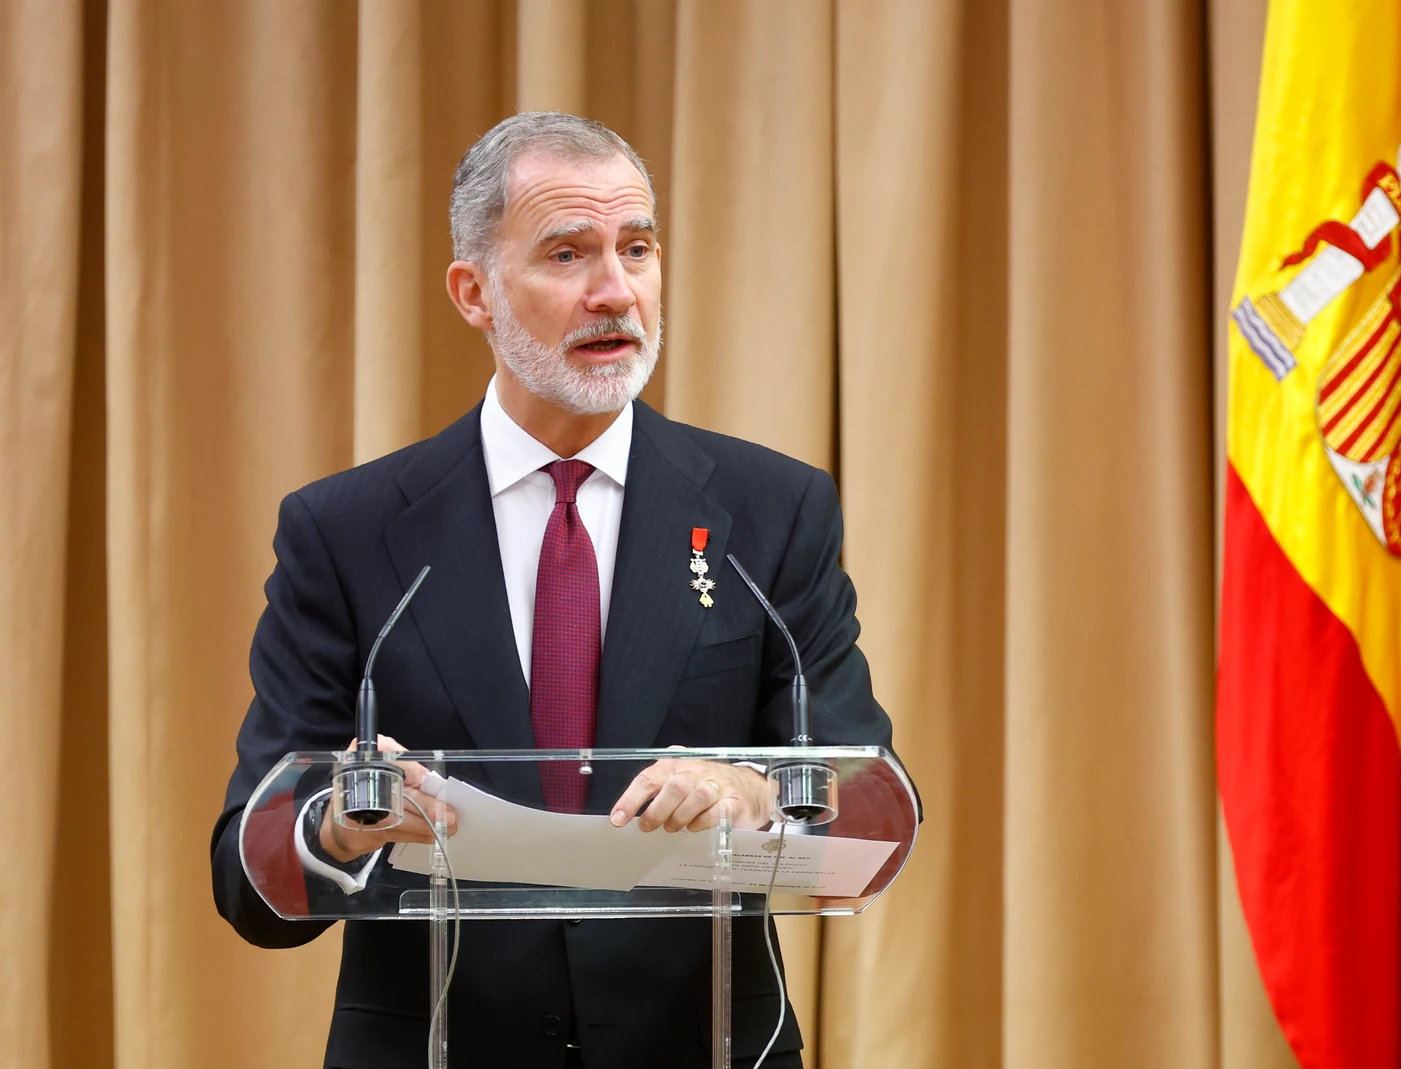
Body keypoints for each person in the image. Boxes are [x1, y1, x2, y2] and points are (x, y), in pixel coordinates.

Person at [209, 112, 897, 1068]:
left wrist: (755, 788)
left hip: (702, 1043)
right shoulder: (348, 531)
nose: (616, 292)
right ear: (474, 292)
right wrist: (343, 815)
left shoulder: (772, 510)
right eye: (567, 254)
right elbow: (250, 878)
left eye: (638, 248)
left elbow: (869, 801)